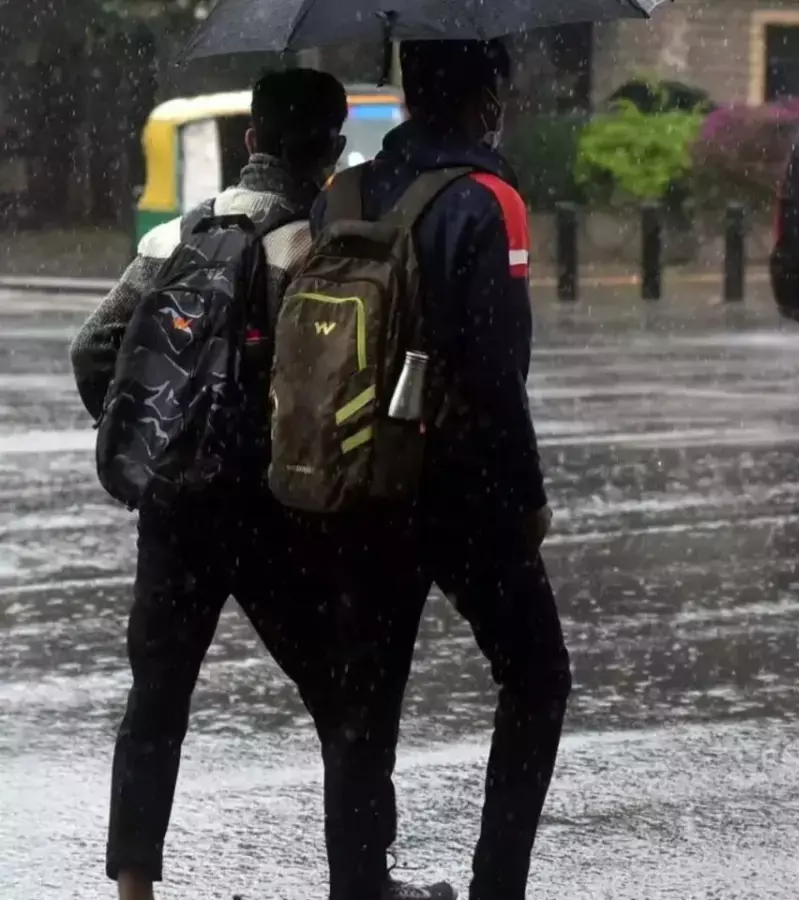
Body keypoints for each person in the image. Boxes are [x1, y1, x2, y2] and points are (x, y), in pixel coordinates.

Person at [69, 69, 452, 900]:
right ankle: (363, 879)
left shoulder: (173, 239)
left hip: (176, 506)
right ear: (330, 150)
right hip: (274, 509)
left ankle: (134, 887)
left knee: (156, 699)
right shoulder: (320, 252)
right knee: (345, 698)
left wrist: (154, 438)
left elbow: (93, 349)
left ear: (250, 140)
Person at [307, 38, 570, 900]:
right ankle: (498, 886)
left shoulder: (343, 193)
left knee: (363, 701)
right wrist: (525, 500)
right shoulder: (489, 200)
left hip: (356, 478)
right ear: (486, 95)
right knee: (537, 676)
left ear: (411, 90)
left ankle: (358, 885)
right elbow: (497, 374)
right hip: (459, 487)